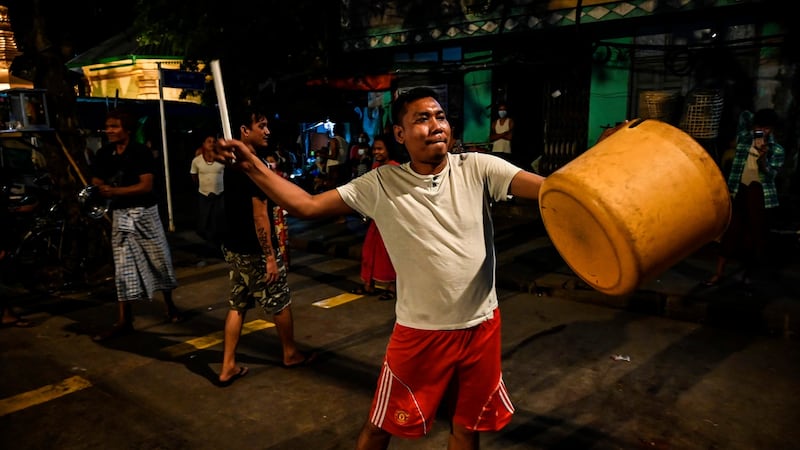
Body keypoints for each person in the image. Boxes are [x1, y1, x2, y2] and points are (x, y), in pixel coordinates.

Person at [216, 87, 546, 449]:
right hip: (421, 334)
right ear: (400, 135)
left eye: (440, 117)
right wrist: (251, 164)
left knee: (467, 427)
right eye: (422, 119)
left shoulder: (479, 168)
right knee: (380, 427)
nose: (436, 125)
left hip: (482, 327)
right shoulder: (383, 184)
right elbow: (306, 206)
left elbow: (553, 191)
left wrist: (612, 159)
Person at [217, 106, 314, 387]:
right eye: (261, 126)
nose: (268, 131)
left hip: (234, 247)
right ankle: (290, 353)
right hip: (253, 249)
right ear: (244, 132)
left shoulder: (235, 163)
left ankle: (227, 366)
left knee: (238, 304)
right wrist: (270, 256)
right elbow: (260, 214)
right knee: (280, 301)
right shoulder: (251, 166)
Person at [90, 109, 181, 341]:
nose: (109, 130)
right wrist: (100, 187)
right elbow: (96, 179)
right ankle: (124, 320)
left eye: (114, 126)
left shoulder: (140, 152)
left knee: (159, 260)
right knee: (123, 268)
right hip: (121, 215)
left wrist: (115, 190)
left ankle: (170, 305)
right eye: (107, 126)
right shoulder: (104, 153)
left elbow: (146, 186)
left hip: (145, 214)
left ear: (127, 129)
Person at [704, 108, 785, 286]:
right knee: (731, 233)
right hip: (739, 191)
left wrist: (763, 160)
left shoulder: (776, 150)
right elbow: (744, 115)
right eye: (760, 128)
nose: (763, 132)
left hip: (761, 196)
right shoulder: (743, 140)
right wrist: (753, 125)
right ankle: (718, 273)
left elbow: (771, 176)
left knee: (756, 237)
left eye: (767, 128)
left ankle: (749, 277)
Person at [351, 135, 399, 300]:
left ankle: (392, 288)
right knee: (369, 250)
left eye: (380, 149)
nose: (376, 152)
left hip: (391, 219)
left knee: (389, 253)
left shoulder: (394, 168)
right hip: (376, 216)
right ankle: (369, 285)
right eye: (375, 149)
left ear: (388, 150)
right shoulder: (375, 166)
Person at [189, 132, 226, 244]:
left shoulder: (221, 158)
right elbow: (194, 175)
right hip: (204, 193)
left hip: (220, 193)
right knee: (204, 221)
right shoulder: (197, 160)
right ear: (203, 144)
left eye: (213, 142)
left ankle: (217, 244)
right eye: (208, 142)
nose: (211, 144)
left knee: (218, 220)